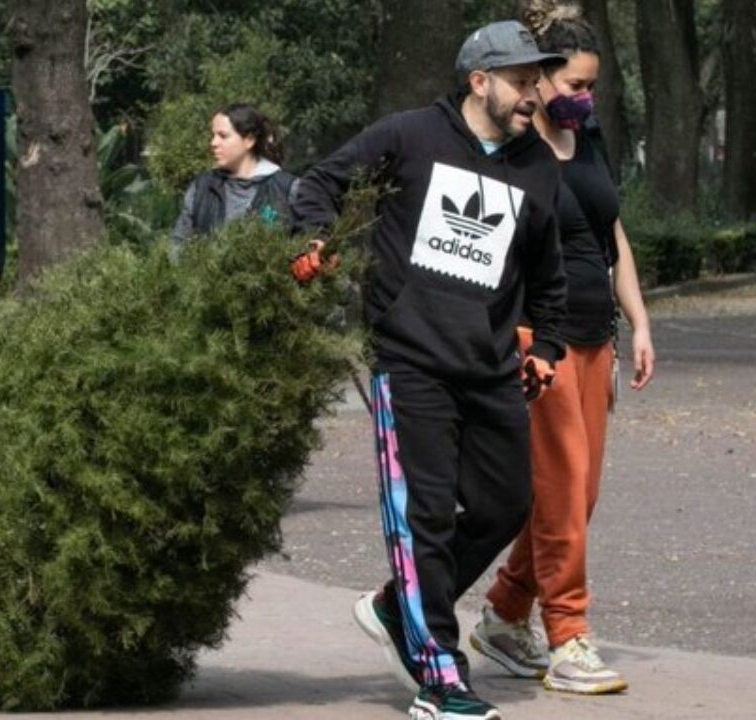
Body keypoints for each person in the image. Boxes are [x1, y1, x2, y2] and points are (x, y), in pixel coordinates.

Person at [291, 21, 568, 720]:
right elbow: (321, 181)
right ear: (480, 81)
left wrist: (546, 349)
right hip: (410, 361)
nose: (533, 92)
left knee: (507, 506)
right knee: (426, 522)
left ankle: (396, 606)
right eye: (522, 79)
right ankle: (440, 676)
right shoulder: (410, 135)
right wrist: (313, 237)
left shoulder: (536, 164)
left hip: (489, 366)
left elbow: (548, 274)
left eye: (537, 79)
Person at [470, 1, 655, 696]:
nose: (586, 98)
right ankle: (568, 635)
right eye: (575, 85)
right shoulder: (517, 152)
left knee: (580, 497)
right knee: (560, 490)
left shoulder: (593, 139)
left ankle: (505, 611)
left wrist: (638, 322)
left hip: (593, 335)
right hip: (536, 339)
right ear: (540, 80)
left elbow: (614, 238)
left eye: (592, 86)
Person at [171, 104, 297, 250]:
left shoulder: (287, 189)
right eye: (213, 135)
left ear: (249, 140)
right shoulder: (202, 187)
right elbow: (179, 245)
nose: (213, 143)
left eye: (223, 136)